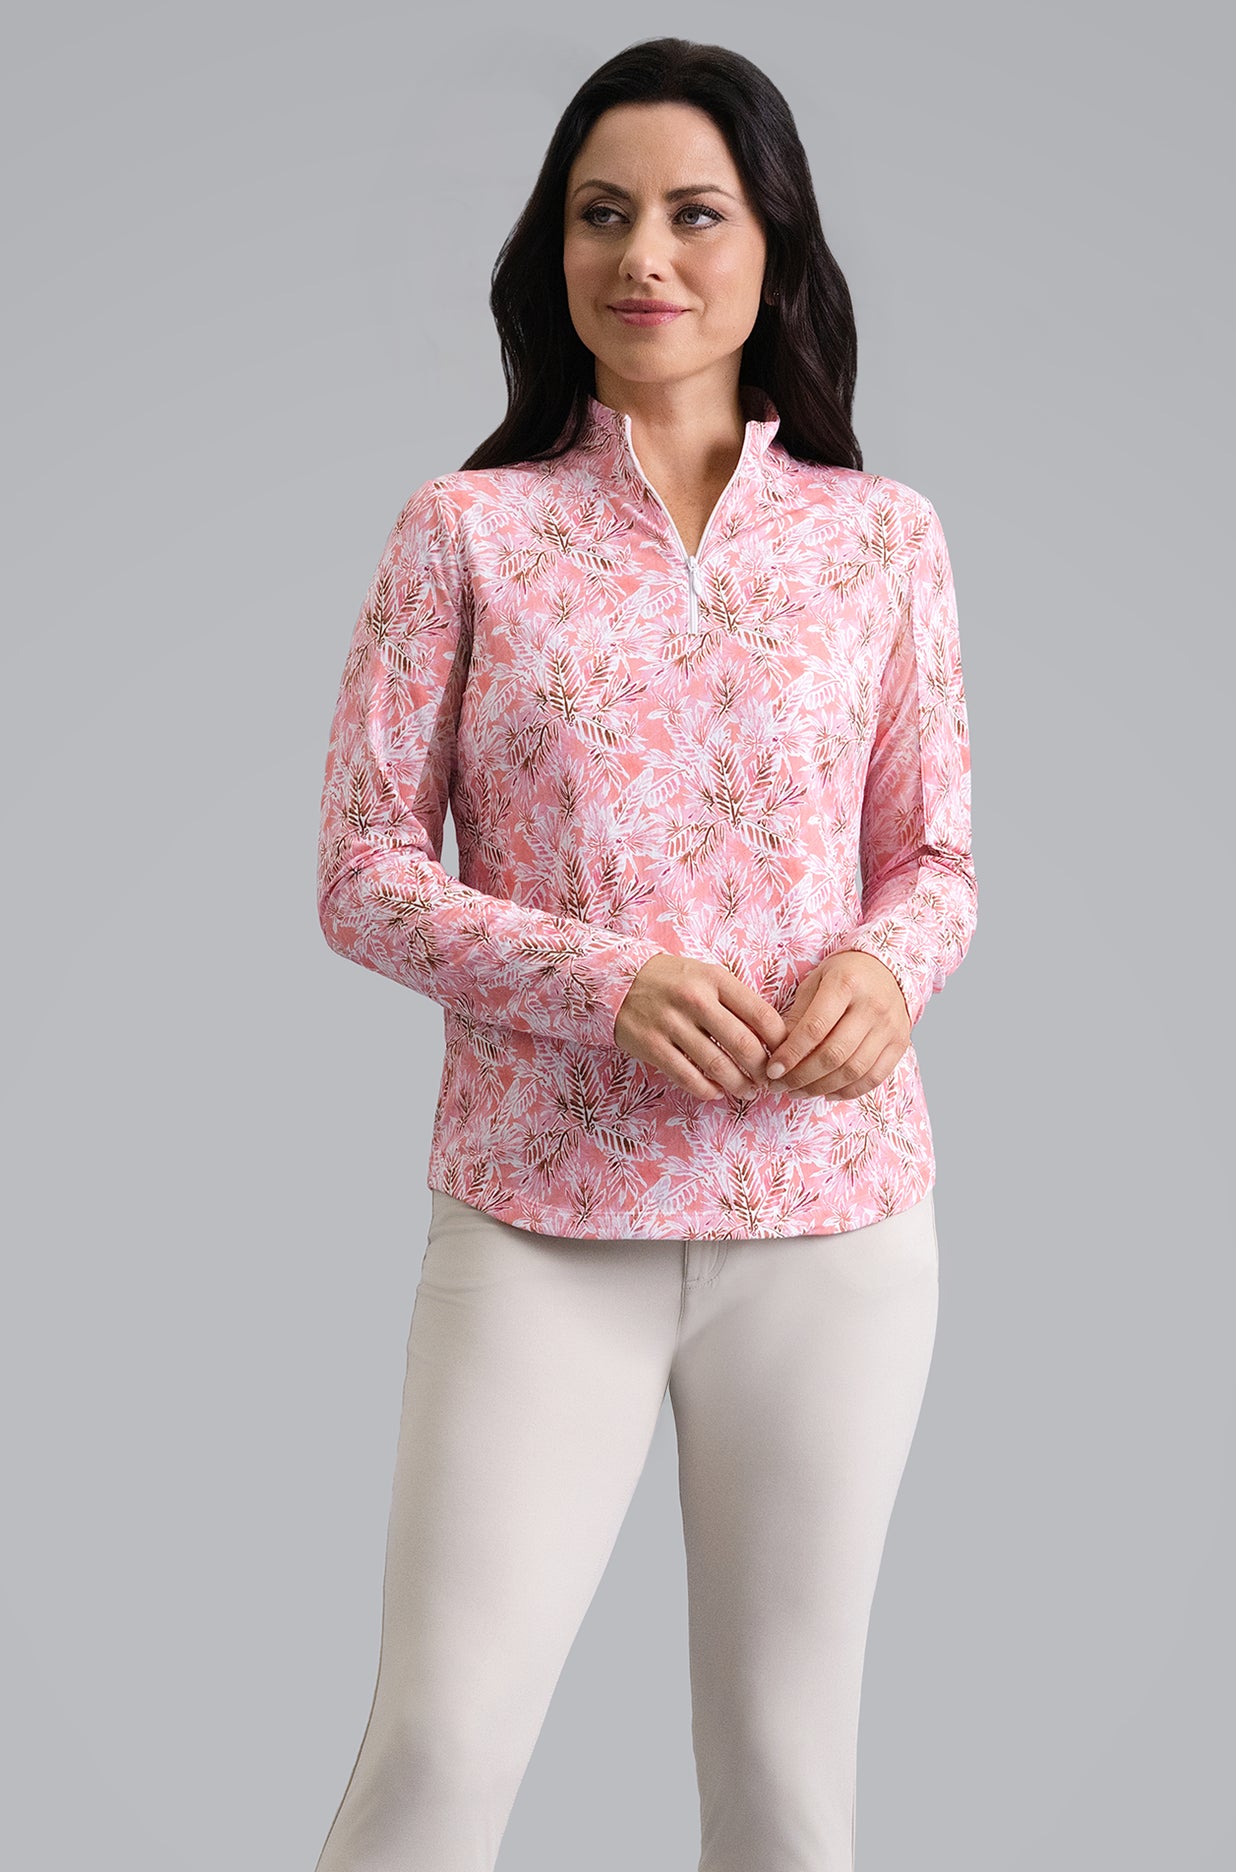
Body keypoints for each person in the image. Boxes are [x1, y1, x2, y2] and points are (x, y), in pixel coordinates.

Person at [310, 35, 976, 1872]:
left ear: (775, 247)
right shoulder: (467, 532)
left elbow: (935, 860)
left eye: (696, 213)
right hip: (541, 1216)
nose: (645, 256)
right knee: (440, 1747)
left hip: (833, 1225)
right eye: (602, 215)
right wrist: (605, 983)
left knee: (785, 1784)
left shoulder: (882, 541)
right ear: (555, 252)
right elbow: (361, 873)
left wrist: (887, 974)